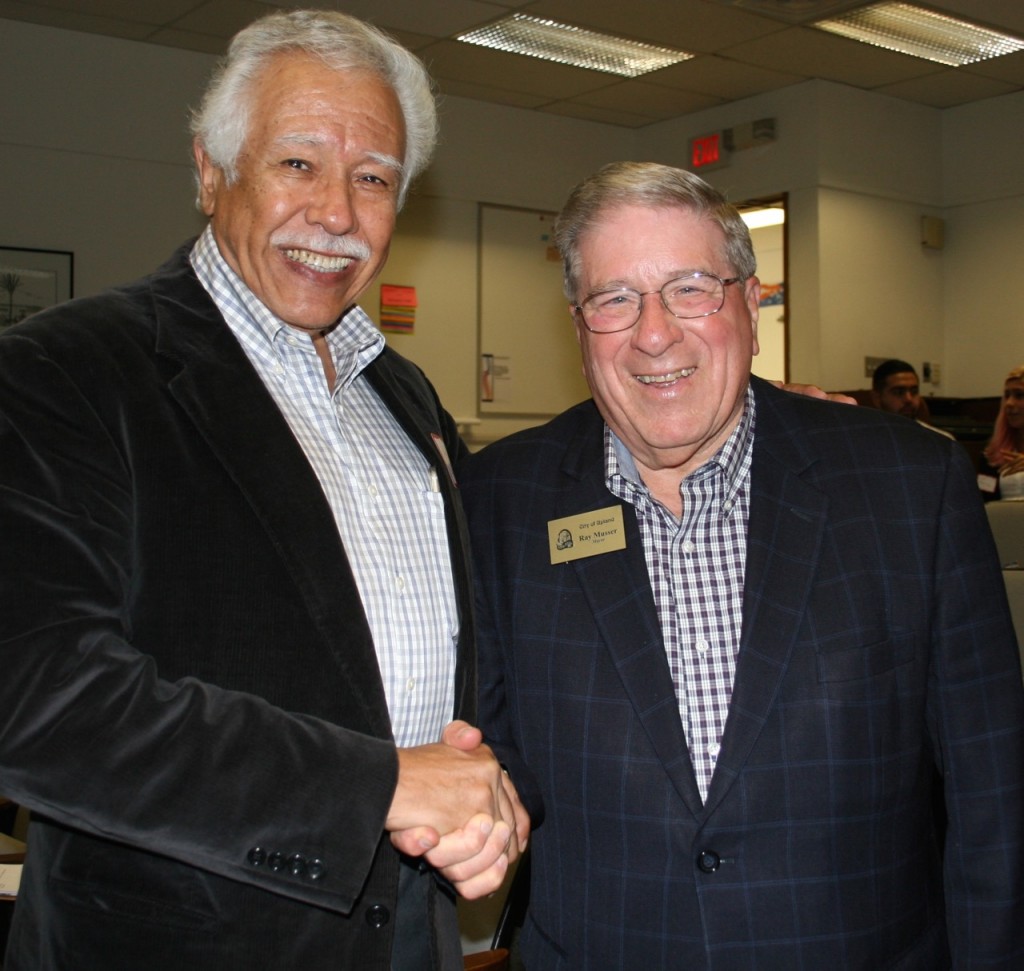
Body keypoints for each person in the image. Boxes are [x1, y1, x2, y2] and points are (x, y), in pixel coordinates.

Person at [0, 10, 526, 970]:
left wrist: (481, 796)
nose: (337, 212)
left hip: (408, 937)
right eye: (298, 164)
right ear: (210, 171)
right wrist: (375, 788)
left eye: (374, 178)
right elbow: (36, 696)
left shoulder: (406, 399)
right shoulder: (65, 373)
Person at [459, 162, 1024, 968]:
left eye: (691, 288)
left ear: (750, 303)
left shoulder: (907, 485)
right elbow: (500, 748)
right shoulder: (499, 498)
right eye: (614, 298)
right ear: (578, 323)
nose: (654, 333)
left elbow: (994, 792)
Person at [871, 357, 954, 438]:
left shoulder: (941, 440)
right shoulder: (865, 438)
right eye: (899, 392)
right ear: (877, 398)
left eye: (914, 392)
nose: (909, 399)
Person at [979, 364, 1024, 501]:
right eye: (1006, 396)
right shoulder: (993, 453)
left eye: (1019, 395)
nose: (1009, 403)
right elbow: (984, 499)